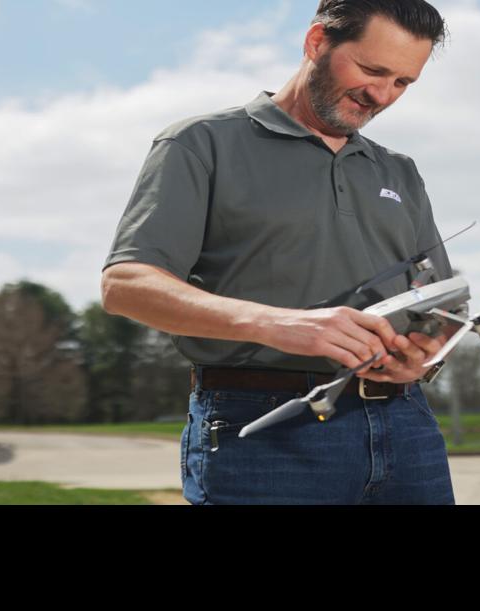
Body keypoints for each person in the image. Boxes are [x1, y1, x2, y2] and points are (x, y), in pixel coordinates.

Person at [101, 0, 457, 505]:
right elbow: (126, 287)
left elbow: (438, 304)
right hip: (262, 425)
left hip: (406, 425)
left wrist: (423, 358)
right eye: (372, 69)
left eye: (403, 83)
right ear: (317, 43)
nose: (382, 94)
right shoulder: (200, 143)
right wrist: (280, 324)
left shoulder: (399, 171)